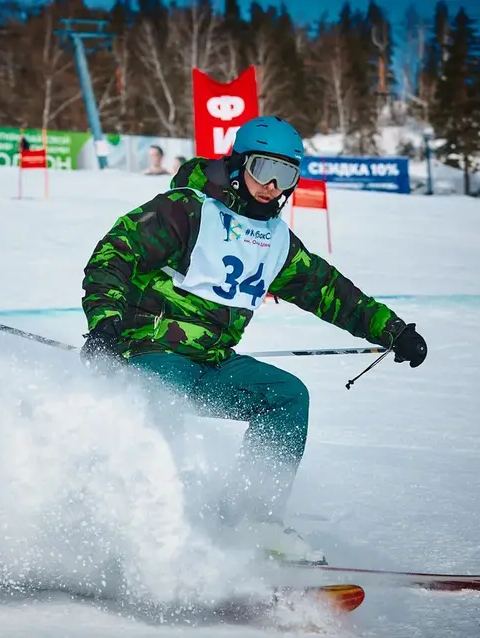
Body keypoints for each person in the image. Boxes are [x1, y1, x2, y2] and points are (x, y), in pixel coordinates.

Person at [79, 115, 427, 564]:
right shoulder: (187, 209)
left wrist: (393, 331)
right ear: (240, 163)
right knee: (163, 402)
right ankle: (144, 529)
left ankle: (251, 520)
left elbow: (330, 292)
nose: (273, 187)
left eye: (287, 176)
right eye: (264, 171)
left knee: (287, 396)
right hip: (149, 352)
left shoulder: (276, 240)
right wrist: (105, 325)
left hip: (212, 364)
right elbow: (113, 256)